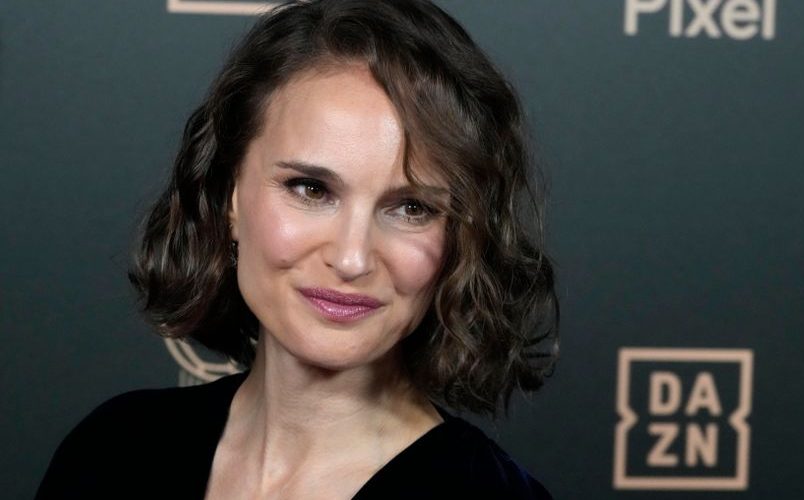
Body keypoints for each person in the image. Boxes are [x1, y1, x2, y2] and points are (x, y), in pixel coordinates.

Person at [35, 0, 559, 498]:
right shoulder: (114, 451)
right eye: (311, 189)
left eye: (411, 208)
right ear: (229, 196)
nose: (351, 259)